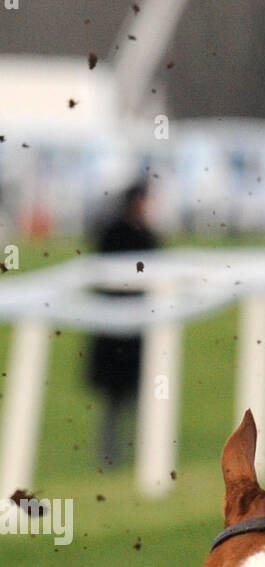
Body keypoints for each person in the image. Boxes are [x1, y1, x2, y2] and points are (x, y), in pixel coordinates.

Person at [86, 180, 161, 467]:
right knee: (114, 399)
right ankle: (111, 453)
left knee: (137, 395)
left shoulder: (147, 235)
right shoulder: (114, 232)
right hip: (112, 330)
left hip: (138, 329)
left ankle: (137, 452)